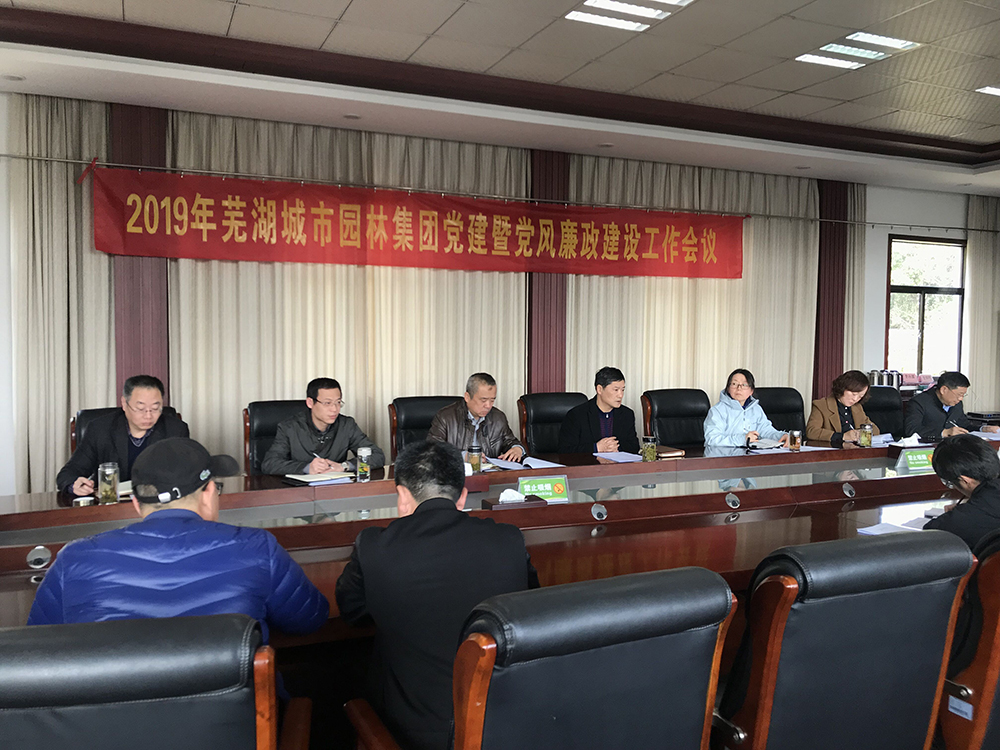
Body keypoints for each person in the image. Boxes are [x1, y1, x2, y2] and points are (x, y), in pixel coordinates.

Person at [335, 440, 539, 750]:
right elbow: (530, 608)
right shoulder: (508, 539)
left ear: (402, 496)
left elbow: (352, 613)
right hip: (503, 728)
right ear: (463, 497)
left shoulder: (374, 546)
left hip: (411, 736)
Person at [29, 438, 329, 644]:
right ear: (209, 492)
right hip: (234, 720)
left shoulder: (75, 558)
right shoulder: (257, 548)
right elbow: (310, 619)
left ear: (136, 503)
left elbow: (37, 645)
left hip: (108, 721)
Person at [57, 374, 189, 496]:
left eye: (155, 408)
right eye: (140, 409)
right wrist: (74, 485)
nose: (148, 415)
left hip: (158, 504)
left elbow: (187, 473)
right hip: (111, 504)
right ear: (124, 404)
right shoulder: (100, 429)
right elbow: (69, 473)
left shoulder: (176, 430)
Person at [262, 377, 384, 475]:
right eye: (327, 403)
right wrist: (307, 467)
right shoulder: (290, 427)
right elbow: (270, 463)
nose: (334, 409)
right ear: (310, 403)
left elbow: (377, 456)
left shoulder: (346, 425)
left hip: (336, 490)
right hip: (300, 492)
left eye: (338, 402)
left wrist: (345, 466)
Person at [925, 433, 1000, 549]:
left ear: (965, 480)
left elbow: (930, 533)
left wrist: (966, 511)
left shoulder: (963, 520)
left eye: (950, 483)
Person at [427, 372, 524, 461]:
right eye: (483, 400)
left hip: (490, 472)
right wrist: (462, 456)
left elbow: (510, 441)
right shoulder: (445, 417)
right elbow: (432, 450)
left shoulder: (498, 418)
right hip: (458, 472)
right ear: (467, 397)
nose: (488, 406)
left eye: (492, 400)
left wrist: (517, 449)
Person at [558, 366, 640, 454]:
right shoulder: (577, 415)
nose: (620, 395)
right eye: (616, 390)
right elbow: (565, 450)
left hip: (617, 463)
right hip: (589, 462)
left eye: (622, 390)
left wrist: (615, 447)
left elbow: (634, 447)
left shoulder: (627, 414)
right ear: (599, 389)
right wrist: (596, 448)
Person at [704, 368, 789, 447]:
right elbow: (712, 439)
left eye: (744, 385)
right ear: (728, 388)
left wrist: (783, 436)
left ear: (751, 391)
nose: (739, 388)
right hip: (726, 456)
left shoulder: (756, 409)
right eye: (734, 384)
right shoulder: (717, 411)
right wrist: (743, 439)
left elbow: (766, 431)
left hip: (752, 454)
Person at [904, 371, 1000, 442]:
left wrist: (983, 429)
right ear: (944, 390)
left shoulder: (956, 403)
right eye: (959, 394)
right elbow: (911, 430)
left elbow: (964, 425)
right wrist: (944, 432)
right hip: (928, 449)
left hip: (953, 448)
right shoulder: (919, 402)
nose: (961, 399)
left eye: (963, 395)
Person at [806, 369, 880, 447]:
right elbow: (811, 431)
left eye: (860, 396)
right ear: (842, 388)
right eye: (854, 394)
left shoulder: (857, 407)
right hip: (834, 451)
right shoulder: (822, 405)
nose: (855, 399)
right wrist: (842, 436)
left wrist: (860, 433)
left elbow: (875, 429)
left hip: (856, 450)